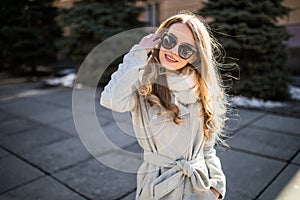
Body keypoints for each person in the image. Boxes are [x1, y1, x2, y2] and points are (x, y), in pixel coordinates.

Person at [100, 11, 229, 200]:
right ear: (159, 40)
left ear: (194, 57)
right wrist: (138, 53)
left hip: (199, 189)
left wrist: (216, 186)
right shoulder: (143, 83)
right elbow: (111, 99)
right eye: (170, 41)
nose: (174, 51)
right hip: (157, 186)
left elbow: (208, 149)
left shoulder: (203, 91)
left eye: (185, 49)